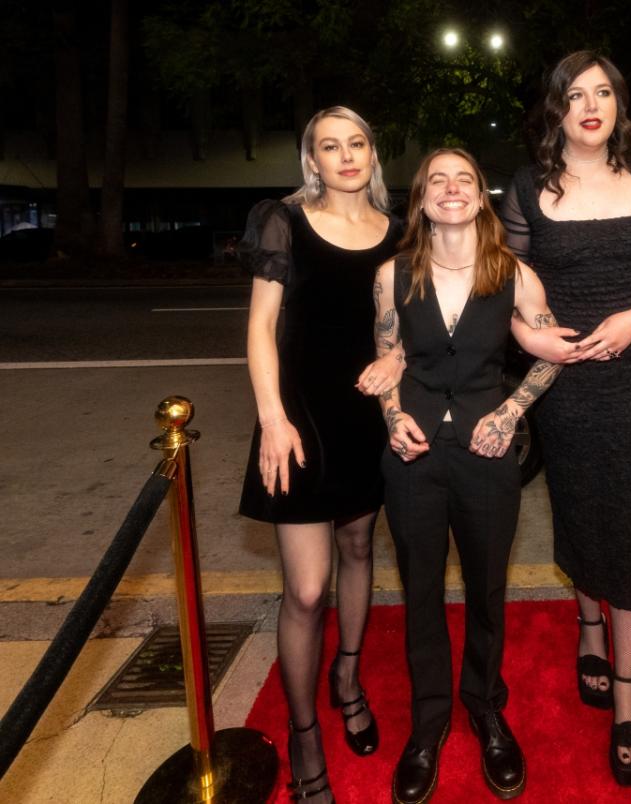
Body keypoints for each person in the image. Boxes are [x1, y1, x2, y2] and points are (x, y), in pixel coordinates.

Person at [500, 51, 631, 787]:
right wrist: (528, 337)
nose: (591, 104)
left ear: (619, 105)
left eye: (604, 92)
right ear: (557, 111)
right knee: (579, 506)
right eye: (575, 94)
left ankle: (628, 689)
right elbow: (502, 282)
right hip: (565, 380)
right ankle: (587, 624)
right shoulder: (526, 189)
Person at [372, 148, 562, 804]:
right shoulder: (392, 275)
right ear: (421, 199)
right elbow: (387, 357)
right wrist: (392, 418)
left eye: (465, 179)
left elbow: (548, 357)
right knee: (420, 591)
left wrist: (511, 412)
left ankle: (483, 705)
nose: (452, 189)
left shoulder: (514, 274)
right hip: (414, 457)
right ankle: (428, 723)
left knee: (486, 589)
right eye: (437, 180)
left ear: (481, 195)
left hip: (486, 456)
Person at [237, 106, 405, 802]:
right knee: (306, 589)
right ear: (312, 159)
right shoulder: (284, 222)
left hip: (366, 414)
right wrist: (272, 419)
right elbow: (260, 327)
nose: (345, 156)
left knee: (361, 546)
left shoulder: (398, 233)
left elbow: (408, 318)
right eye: (329, 146)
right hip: (299, 417)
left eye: (357, 142)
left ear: (372, 153)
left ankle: (348, 674)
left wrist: (398, 356)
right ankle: (305, 734)